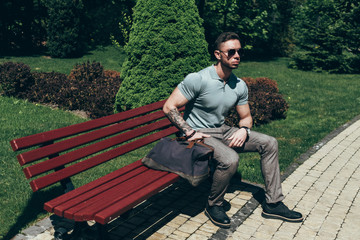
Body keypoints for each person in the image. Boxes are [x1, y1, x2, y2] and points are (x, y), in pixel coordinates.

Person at [163, 32, 303, 228]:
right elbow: (169, 106)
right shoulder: (198, 79)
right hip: (197, 134)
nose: (237, 55)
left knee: (270, 143)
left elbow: (245, 118)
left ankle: (273, 203)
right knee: (230, 159)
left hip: (221, 130)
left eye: (239, 51)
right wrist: (190, 131)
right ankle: (214, 205)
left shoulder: (239, 85)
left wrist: (244, 131)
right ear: (218, 55)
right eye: (231, 52)